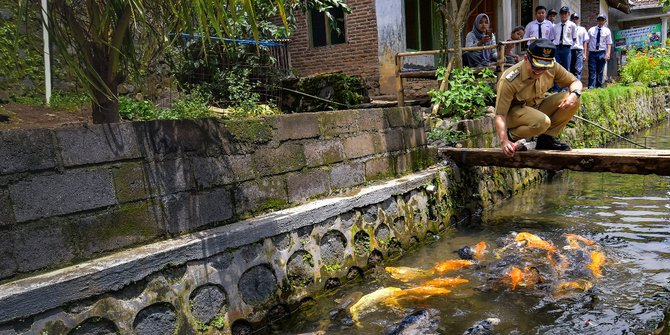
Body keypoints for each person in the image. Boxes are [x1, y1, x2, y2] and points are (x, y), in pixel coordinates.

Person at [494, 38, 583, 157]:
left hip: (537, 109)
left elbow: (575, 82)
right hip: (514, 115)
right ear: (526, 59)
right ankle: (513, 136)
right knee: (542, 122)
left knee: (574, 99)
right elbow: (500, 114)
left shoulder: (553, 67)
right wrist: (504, 140)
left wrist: (574, 95)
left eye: (544, 67)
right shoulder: (510, 79)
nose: (540, 71)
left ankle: (546, 139)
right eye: (536, 67)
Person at [552, 6, 577, 92]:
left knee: (566, 68)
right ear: (560, 15)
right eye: (562, 13)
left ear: (569, 14)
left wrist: (569, 46)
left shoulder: (572, 25)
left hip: (566, 48)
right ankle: (556, 88)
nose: (563, 15)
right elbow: (553, 38)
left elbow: (574, 38)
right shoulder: (556, 26)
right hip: (557, 48)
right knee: (556, 68)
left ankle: (565, 88)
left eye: (565, 13)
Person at [586, 13, 613, 89]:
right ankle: (591, 86)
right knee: (592, 70)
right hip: (592, 53)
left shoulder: (607, 31)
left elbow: (609, 43)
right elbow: (587, 42)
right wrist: (586, 52)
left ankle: (599, 86)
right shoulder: (591, 30)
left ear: (605, 21)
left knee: (600, 70)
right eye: (599, 20)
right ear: (597, 20)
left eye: (602, 20)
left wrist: (608, 53)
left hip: (601, 52)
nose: (600, 21)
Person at [570, 13, 589, 81]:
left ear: (579, 20)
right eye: (573, 19)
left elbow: (585, 42)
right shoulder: (568, 28)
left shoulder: (582, 29)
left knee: (578, 69)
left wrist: (584, 53)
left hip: (579, 50)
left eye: (576, 19)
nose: (575, 20)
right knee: (570, 68)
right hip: (570, 50)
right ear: (571, 20)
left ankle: (577, 85)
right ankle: (570, 85)